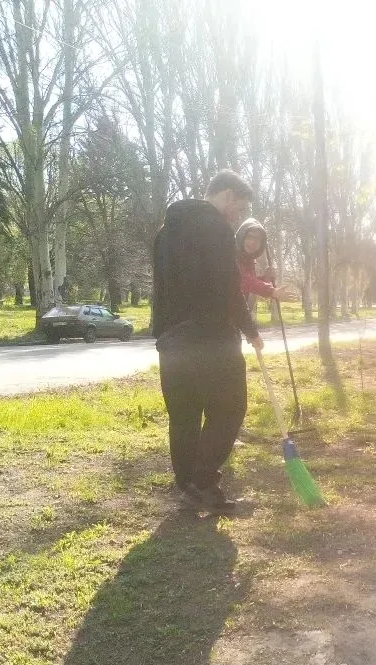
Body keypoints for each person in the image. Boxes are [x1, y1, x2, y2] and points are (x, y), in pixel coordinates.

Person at [152, 169, 264, 512]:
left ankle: (188, 487)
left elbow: (161, 290)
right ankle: (203, 480)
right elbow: (229, 289)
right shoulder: (217, 229)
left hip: (172, 340)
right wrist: (250, 330)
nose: (238, 216)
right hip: (211, 338)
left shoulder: (164, 232)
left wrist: (164, 334)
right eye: (240, 208)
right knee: (230, 408)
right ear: (227, 195)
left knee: (183, 416)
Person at [235, 218, 288, 312]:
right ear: (241, 237)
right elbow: (242, 279)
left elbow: (248, 284)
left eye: (257, 239)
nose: (253, 242)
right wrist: (271, 291)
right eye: (249, 237)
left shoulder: (248, 259)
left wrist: (265, 278)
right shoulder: (231, 254)